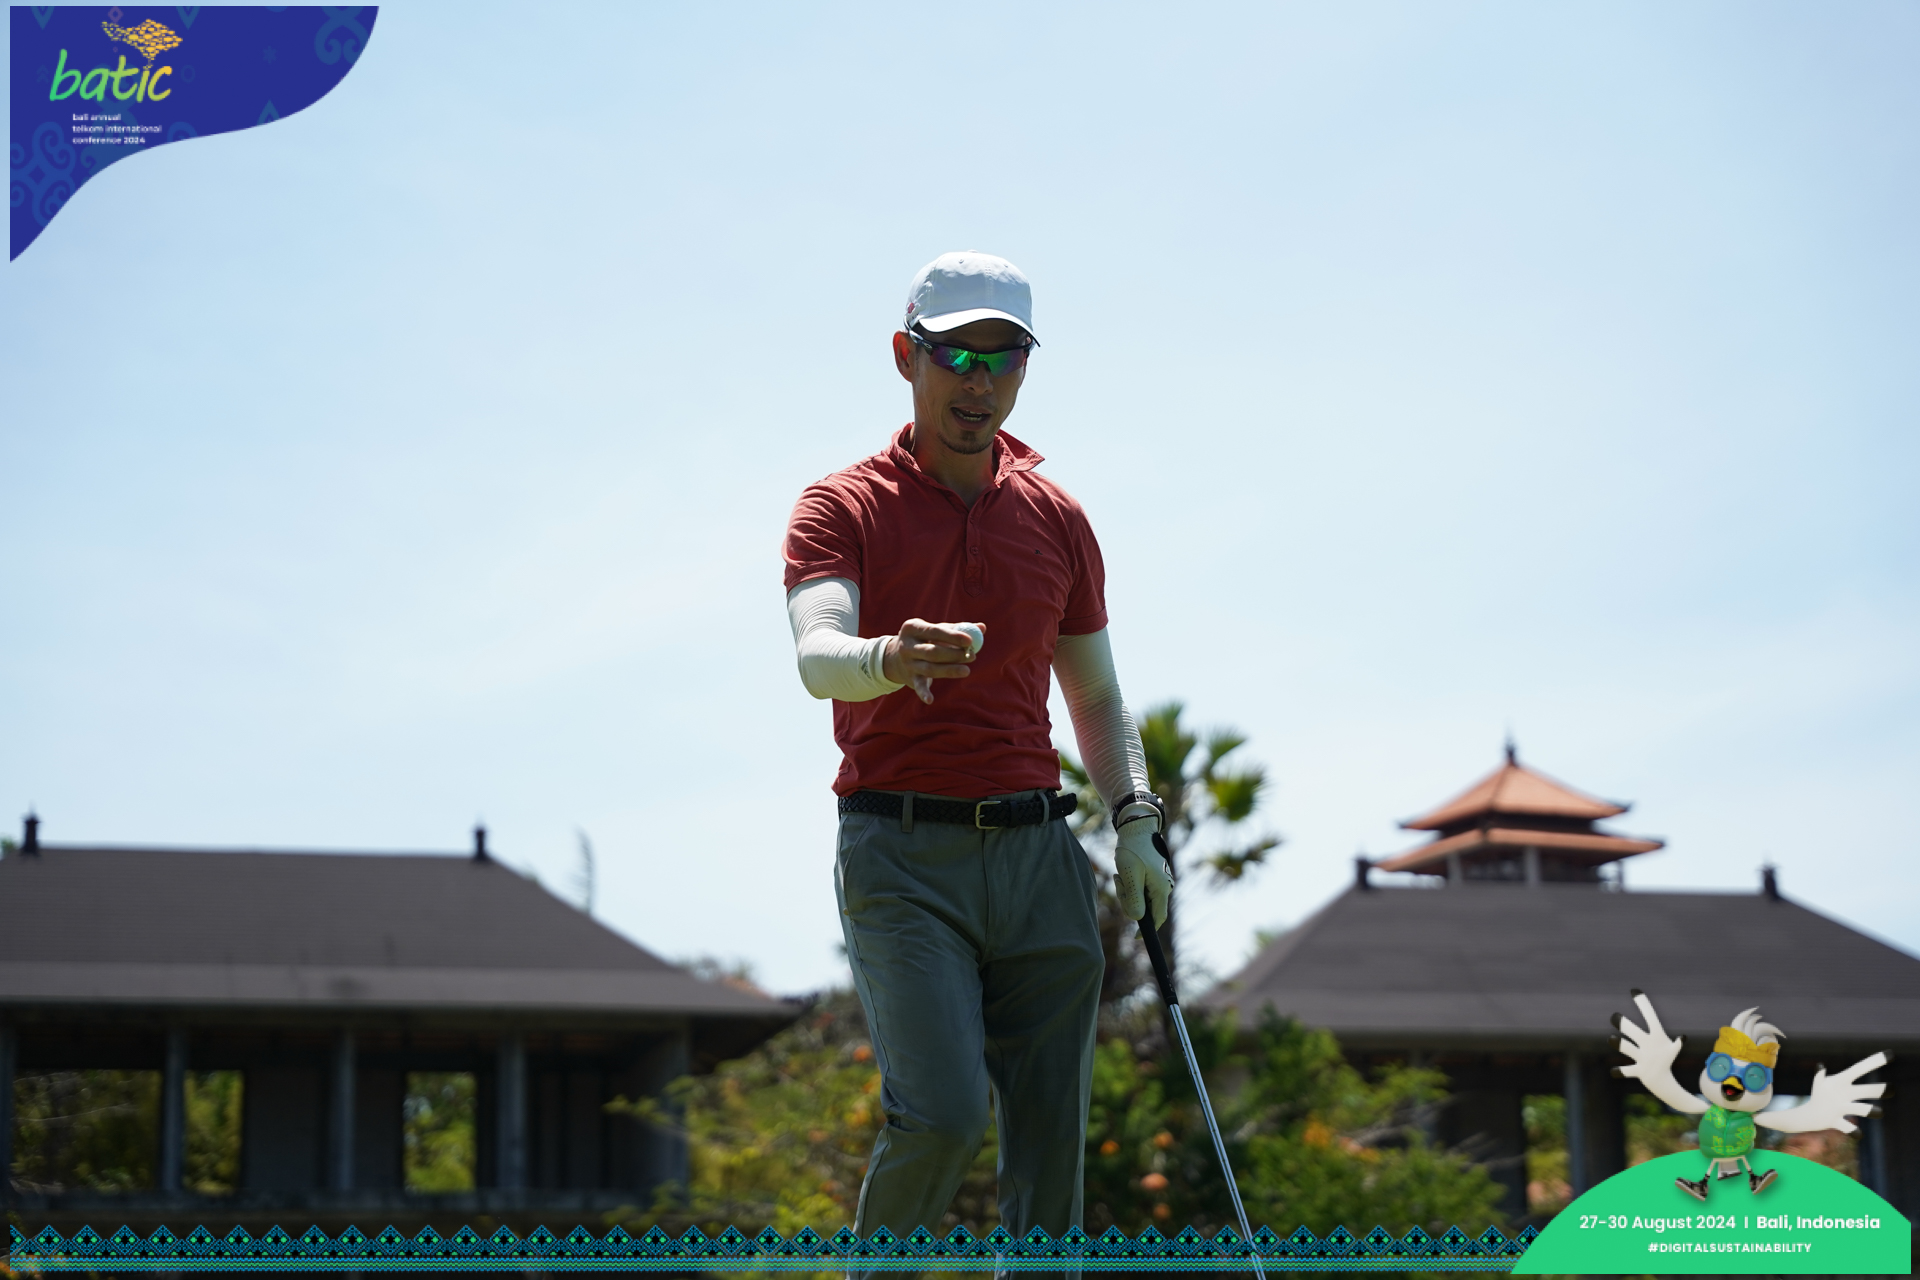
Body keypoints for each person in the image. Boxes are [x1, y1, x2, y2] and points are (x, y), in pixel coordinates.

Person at [781, 251, 1172, 1242]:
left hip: (1040, 857)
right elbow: (819, 656)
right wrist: (887, 654)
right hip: (902, 855)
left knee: (1050, 1151)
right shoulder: (841, 505)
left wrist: (1135, 820)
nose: (979, 380)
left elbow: (1096, 694)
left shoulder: (1058, 519)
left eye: (1003, 357)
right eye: (955, 354)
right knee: (945, 1115)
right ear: (905, 355)